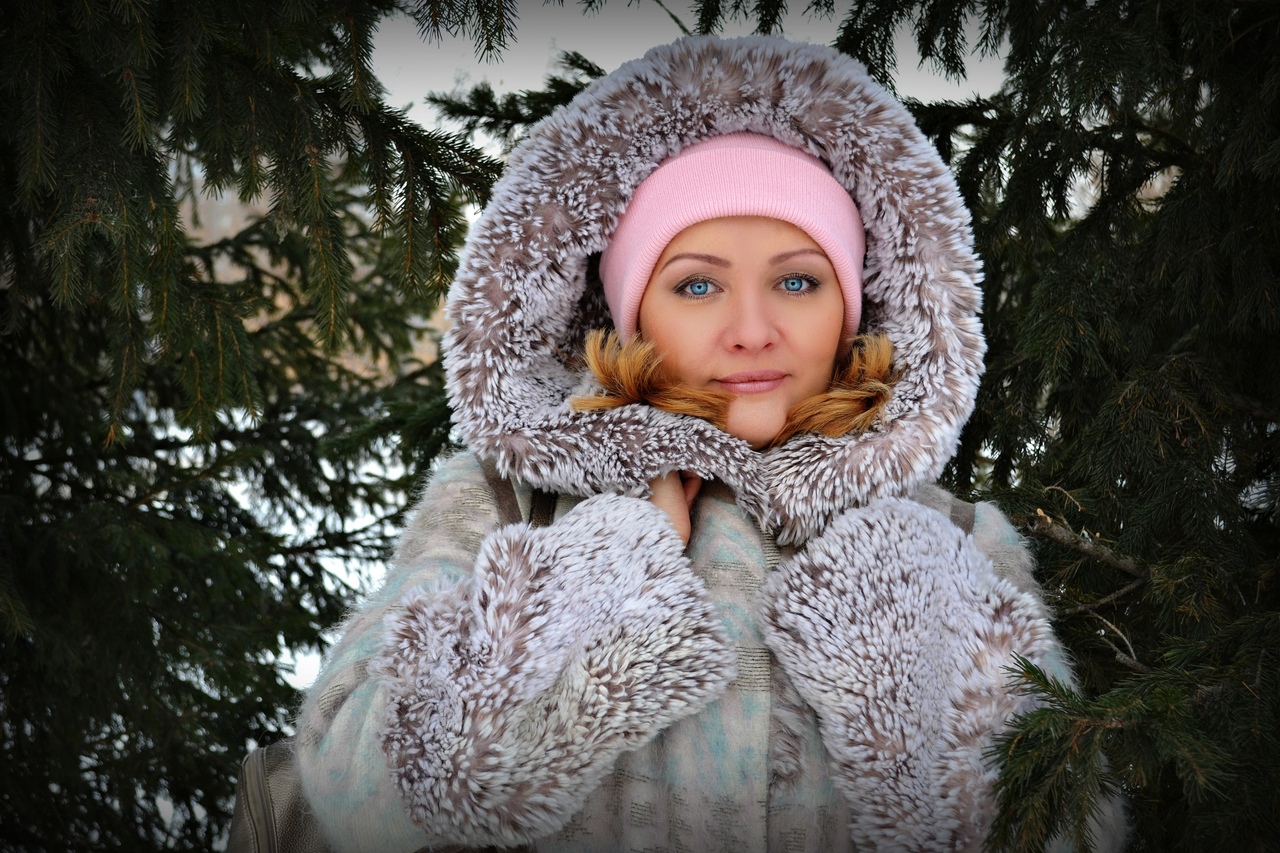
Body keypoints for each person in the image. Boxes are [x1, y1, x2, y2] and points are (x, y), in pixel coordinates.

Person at [294, 35, 1128, 852]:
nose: (753, 329)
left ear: (852, 308)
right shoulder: (504, 507)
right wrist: (608, 565)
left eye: (797, 280)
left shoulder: (953, 537)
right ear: (632, 315)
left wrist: (909, 640)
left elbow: (1072, 823)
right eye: (697, 285)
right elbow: (358, 794)